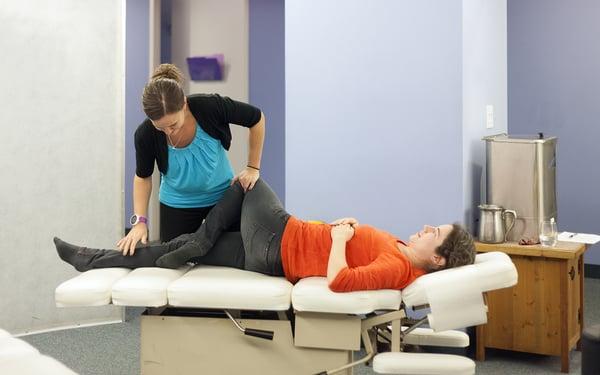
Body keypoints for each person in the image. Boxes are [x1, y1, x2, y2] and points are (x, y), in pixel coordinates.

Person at [54, 180, 476, 293]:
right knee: (173, 249)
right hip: (269, 257)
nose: (424, 228)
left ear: (438, 259)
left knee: (248, 180)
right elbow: (343, 253)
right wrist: (341, 230)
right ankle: (92, 258)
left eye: (433, 233)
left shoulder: (399, 267)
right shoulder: (403, 253)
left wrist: (344, 241)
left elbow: (340, 281)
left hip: (278, 237)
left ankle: (201, 239)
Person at [118, 63, 265, 256]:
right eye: (160, 128)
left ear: (184, 104)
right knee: (176, 260)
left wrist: (253, 167)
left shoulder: (210, 106)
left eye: (173, 124)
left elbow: (256, 118)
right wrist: (140, 222)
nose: (168, 132)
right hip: (177, 204)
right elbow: (143, 177)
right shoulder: (145, 134)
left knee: (233, 255)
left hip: (222, 198)